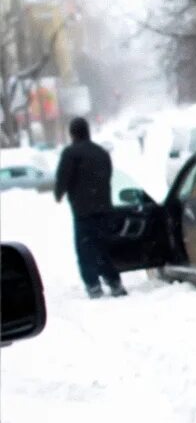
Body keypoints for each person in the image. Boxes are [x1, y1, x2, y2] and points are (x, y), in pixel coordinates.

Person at [53, 118, 125, 299]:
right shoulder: (101, 153)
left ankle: (93, 285)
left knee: (85, 250)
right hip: (104, 208)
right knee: (103, 247)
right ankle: (114, 281)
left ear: (72, 134)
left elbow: (63, 178)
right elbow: (107, 176)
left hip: (83, 211)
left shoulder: (70, 154)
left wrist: (59, 193)